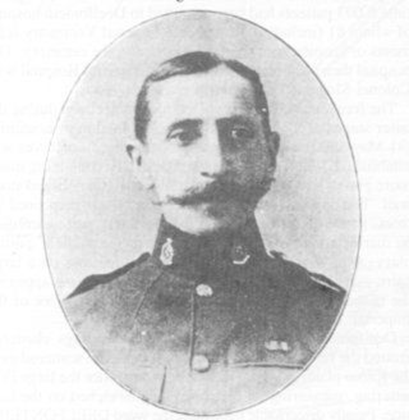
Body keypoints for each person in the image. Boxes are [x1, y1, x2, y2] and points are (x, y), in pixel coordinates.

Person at [63, 51, 346, 415]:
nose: (216, 165)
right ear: (141, 162)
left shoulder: (331, 316)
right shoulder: (84, 320)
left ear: (270, 155)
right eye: (184, 136)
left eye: (239, 134)